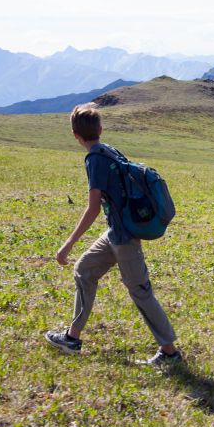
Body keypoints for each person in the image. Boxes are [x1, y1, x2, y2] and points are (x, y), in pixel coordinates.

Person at [44, 103, 182, 366]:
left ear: (75, 135)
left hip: (124, 237)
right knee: (84, 270)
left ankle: (170, 352)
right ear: (100, 129)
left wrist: (68, 243)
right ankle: (72, 338)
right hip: (116, 233)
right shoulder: (109, 150)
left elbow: (93, 207)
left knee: (140, 291)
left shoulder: (95, 159)